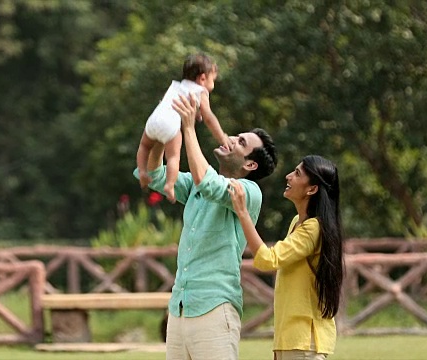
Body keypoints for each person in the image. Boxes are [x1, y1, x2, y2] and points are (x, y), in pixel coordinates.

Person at [134, 94, 277, 359]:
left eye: (241, 142)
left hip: (215, 305)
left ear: (250, 164)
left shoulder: (248, 191)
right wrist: (160, 132)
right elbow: (153, 174)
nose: (231, 138)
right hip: (180, 307)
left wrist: (189, 127)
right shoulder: (196, 187)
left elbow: (208, 183)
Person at [228, 155, 344, 360]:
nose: (288, 176)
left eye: (297, 174)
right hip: (290, 340)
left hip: (304, 343)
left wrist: (243, 213)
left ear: (312, 189)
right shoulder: (297, 223)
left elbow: (267, 259)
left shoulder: (313, 229)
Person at [136, 53, 229, 203]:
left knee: (144, 146)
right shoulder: (201, 91)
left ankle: (142, 171)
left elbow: (184, 106)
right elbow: (209, 118)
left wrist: (197, 114)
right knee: (173, 156)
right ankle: (170, 185)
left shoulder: (177, 86)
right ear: (203, 78)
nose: (214, 84)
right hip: (170, 125)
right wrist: (222, 136)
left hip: (154, 119)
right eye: (213, 80)